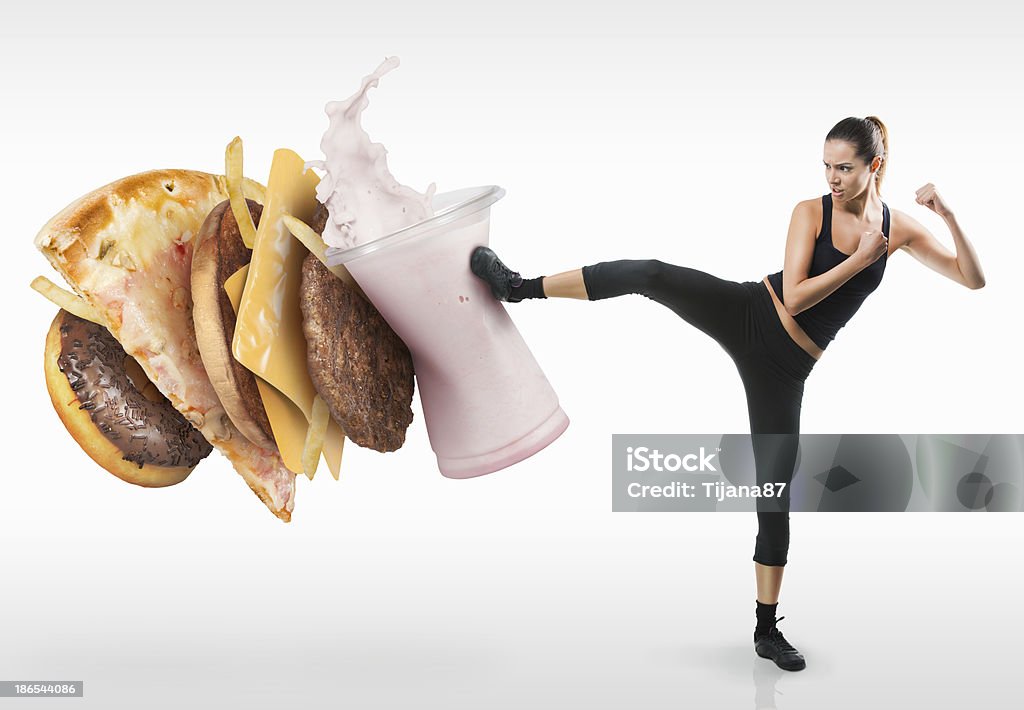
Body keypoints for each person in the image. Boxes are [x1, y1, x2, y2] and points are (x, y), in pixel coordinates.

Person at [469, 116, 986, 672]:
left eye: (845, 168)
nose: (833, 178)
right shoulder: (810, 212)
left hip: (786, 373)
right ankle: (518, 288)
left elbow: (971, 278)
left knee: (775, 489)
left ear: (873, 167)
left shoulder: (898, 229)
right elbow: (793, 297)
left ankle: (766, 629)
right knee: (654, 274)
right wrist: (860, 260)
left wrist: (949, 217)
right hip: (750, 314)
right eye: (826, 166)